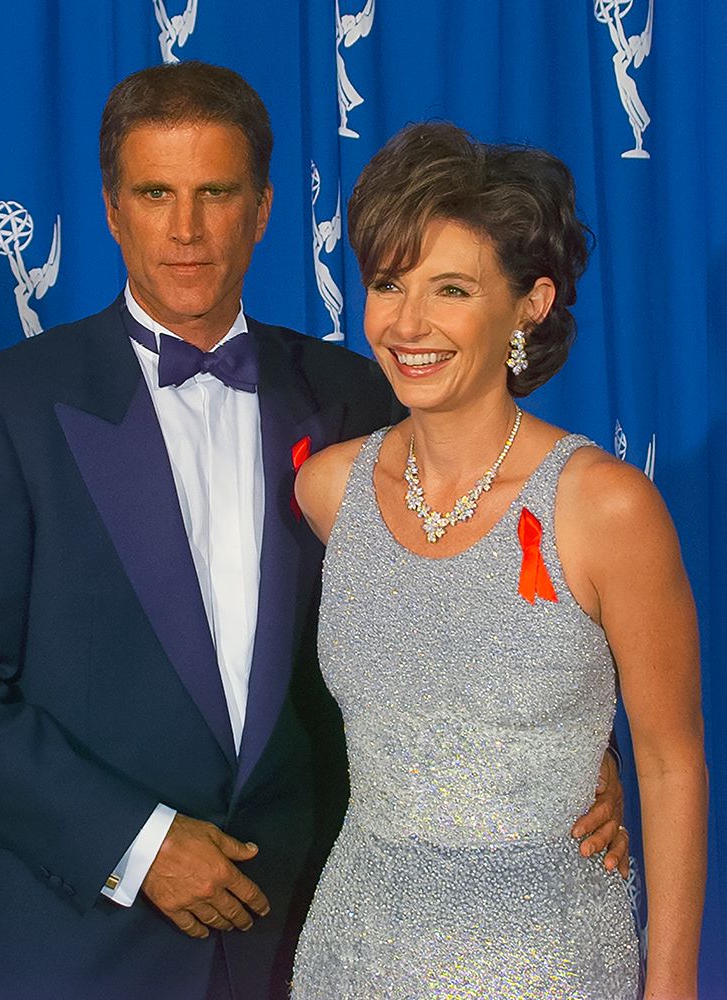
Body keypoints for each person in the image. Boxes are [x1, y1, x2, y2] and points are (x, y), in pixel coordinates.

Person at [0, 66, 628, 1000]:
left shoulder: (359, 397)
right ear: (113, 211)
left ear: (264, 207)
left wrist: (570, 755)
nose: (186, 230)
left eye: (216, 193)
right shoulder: (5, 408)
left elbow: (469, 612)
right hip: (70, 944)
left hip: (304, 938)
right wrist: (140, 845)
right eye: (155, 194)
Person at [292, 123, 707, 999]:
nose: (408, 324)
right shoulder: (328, 490)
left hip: (547, 963)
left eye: (451, 289)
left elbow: (671, 764)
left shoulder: (604, 507)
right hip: (353, 955)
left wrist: (669, 988)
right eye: (387, 284)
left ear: (529, 302)